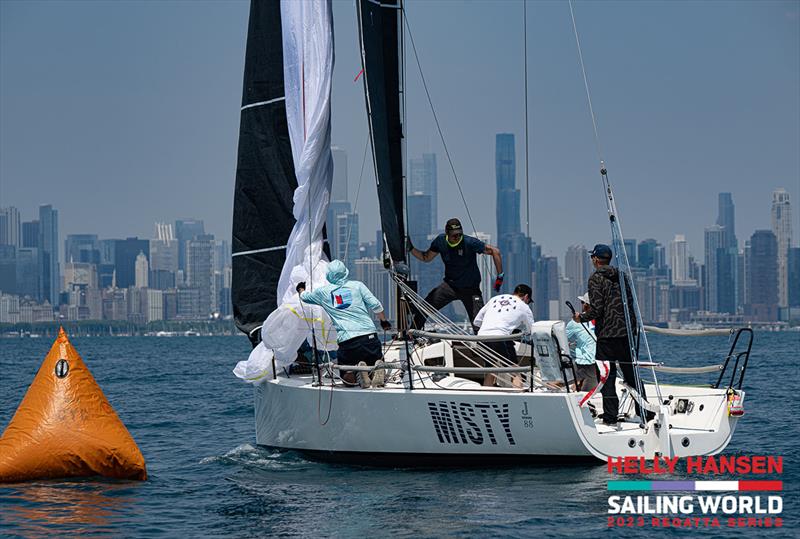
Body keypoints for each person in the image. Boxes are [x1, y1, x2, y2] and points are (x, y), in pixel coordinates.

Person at [573, 244, 654, 425]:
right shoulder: (622, 276)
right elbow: (629, 304)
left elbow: (598, 309)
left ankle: (610, 416)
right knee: (631, 374)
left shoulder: (595, 278)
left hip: (607, 335)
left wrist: (581, 318)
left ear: (595, 259)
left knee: (606, 376)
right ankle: (646, 412)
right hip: (626, 334)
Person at [297, 260, 391, 388]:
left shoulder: (323, 293)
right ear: (345, 273)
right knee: (375, 361)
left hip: (348, 341)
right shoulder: (358, 285)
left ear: (328, 276)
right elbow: (376, 305)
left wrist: (301, 289)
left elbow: (305, 297)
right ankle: (374, 369)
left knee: (347, 379)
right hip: (370, 337)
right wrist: (384, 322)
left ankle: (357, 371)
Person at [408, 218, 503, 329]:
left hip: (471, 290)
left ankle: (485, 344)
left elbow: (495, 251)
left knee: (479, 325)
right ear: (447, 234)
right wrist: (410, 248)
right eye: (454, 235)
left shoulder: (469, 242)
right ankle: (411, 334)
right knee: (425, 308)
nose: (457, 237)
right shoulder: (440, 241)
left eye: (459, 234)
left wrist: (500, 277)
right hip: (450, 286)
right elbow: (426, 257)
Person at [473, 284, 535, 387]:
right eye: (528, 300)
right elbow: (532, 330)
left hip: (482, 338)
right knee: (515, 371)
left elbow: (477, 322)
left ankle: (486, 395)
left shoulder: (495, 299)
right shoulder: (524, 306)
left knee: (490, 370)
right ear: (526, 297)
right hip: (501, 337)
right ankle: (518, 397)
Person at [565, 293, 598, 391]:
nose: (581, 304)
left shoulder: (575, 322)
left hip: (587, 364)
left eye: (582, 302)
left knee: (567, 381)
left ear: (586, 305)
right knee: (583, 387)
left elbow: (563, 340)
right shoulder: (604, 320)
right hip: (598, 364)